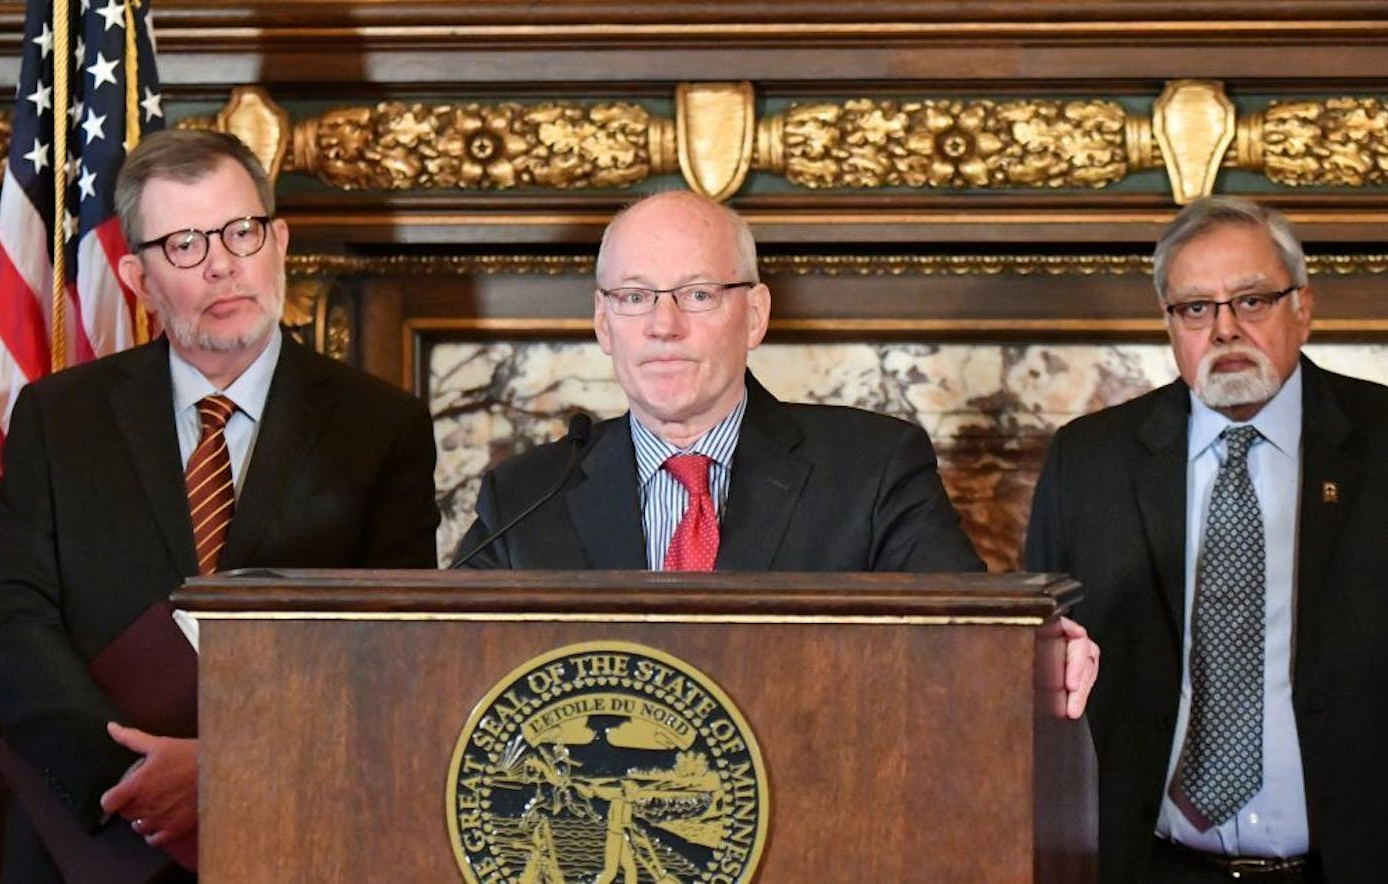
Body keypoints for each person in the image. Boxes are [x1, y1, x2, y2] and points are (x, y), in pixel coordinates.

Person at [0, 129, 440, 882]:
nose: (222, 264)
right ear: (138, 277)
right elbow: (9, 619)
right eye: (184, 244)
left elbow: (391, 654)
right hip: (88, 843)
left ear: (279, 241)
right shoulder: (61, 418)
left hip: (299, 837)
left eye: (240, 232)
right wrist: (128, 782)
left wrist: (227, 771)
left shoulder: (381, 426)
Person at [456, 189, 1097, 705]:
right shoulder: (525, 497)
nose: (662, 325)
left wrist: (1040, 656)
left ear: (756, 315)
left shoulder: (872, 469)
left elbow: (968, 641)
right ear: (603, 322)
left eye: (698, 294)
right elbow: (443, 664)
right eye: (634, 297)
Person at [1025, 196, 1388, 882]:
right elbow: (1037, 676)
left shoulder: (1379, 441)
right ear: (1169, 324)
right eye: (1196, 308)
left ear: (1303, 307)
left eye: (1251, 301)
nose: (1224, 330)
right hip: (1149, 865)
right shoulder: (1090, 461)